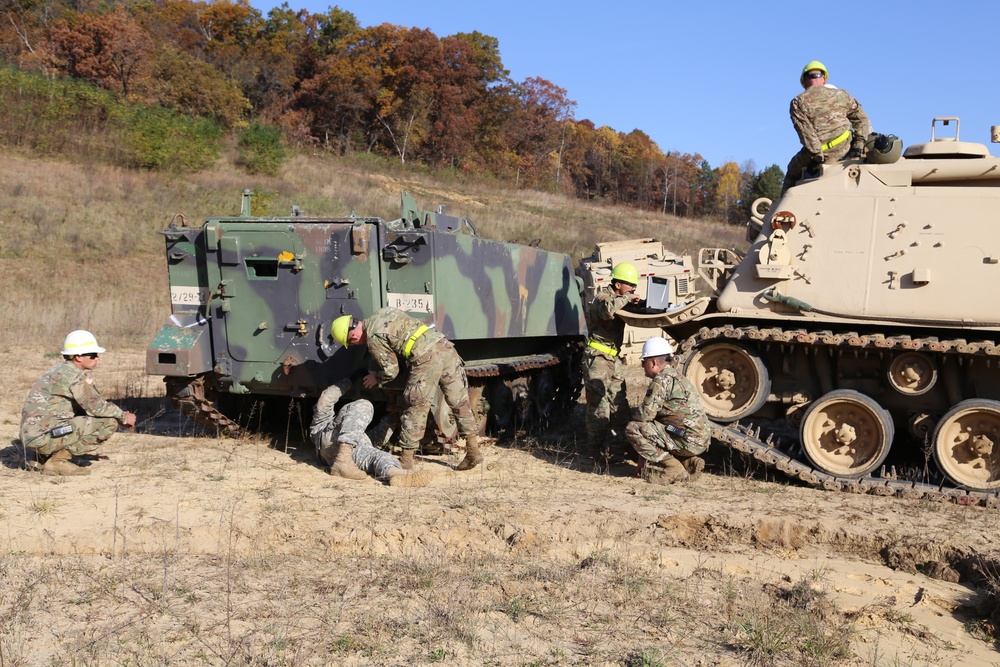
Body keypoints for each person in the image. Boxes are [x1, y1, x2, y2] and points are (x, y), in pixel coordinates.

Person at [330, 308, 482, 471]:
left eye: (351, 343)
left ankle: (406, 460)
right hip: (443, 346)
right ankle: (473, 450)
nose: (356, 344)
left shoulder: (373, 337)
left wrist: (377, 378)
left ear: (352, 336)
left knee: (416, 406)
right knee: (458, 401)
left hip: (426, 357)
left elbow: (391, 370)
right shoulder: (382, 313)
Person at [19, 330, 136, 476]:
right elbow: (97, 407)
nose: (97, 358)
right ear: (79, 357)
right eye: (93, 355)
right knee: (108, 422)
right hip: (42, 438)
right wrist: (123, 417)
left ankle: (38, 459)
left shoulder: (59, 370)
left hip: (33, 436)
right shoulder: (75, 377)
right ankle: (57, 462)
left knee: (78, 412)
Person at [310, 377, 434, 487]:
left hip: (348, 453)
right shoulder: (321, 423)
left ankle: (395, 474)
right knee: (364, 405)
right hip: (329, 439)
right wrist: (350, 378)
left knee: (378, 456)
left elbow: (376, 439)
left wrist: (391, 421)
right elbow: (326, 399)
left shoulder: (356, 433)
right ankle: (342, 461)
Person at [625, 336, 710, 485]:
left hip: (686, 438)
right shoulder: (676, 376)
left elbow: (645, 416)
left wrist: (630, 413)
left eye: (643, 362)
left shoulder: (661, 380)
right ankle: (688, 461)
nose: (642, 366)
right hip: (697, 439)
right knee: (660, 427)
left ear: (653, 363)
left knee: (633, 427)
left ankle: (673, 467)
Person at [782, 60, 871, 194]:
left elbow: (807, 135)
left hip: (822, 153)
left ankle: (782, 211)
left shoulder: (798, 102)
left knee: (792, 171)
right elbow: (862, 119)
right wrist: (858, 145)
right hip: (846, 146)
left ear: (804, 82)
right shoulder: (841, 95)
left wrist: (818, 158)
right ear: (824, 79)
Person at [583, 262, 640, 470]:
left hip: (613, 359)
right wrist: (626, 299)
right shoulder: (602, 298)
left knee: (619, 403)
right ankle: (595, 453)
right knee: (598, 406)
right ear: (617, 285)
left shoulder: (620, 299)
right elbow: (607, 311)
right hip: (597, 358)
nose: (633, 289)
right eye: (629, 286)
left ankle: (618, 446)